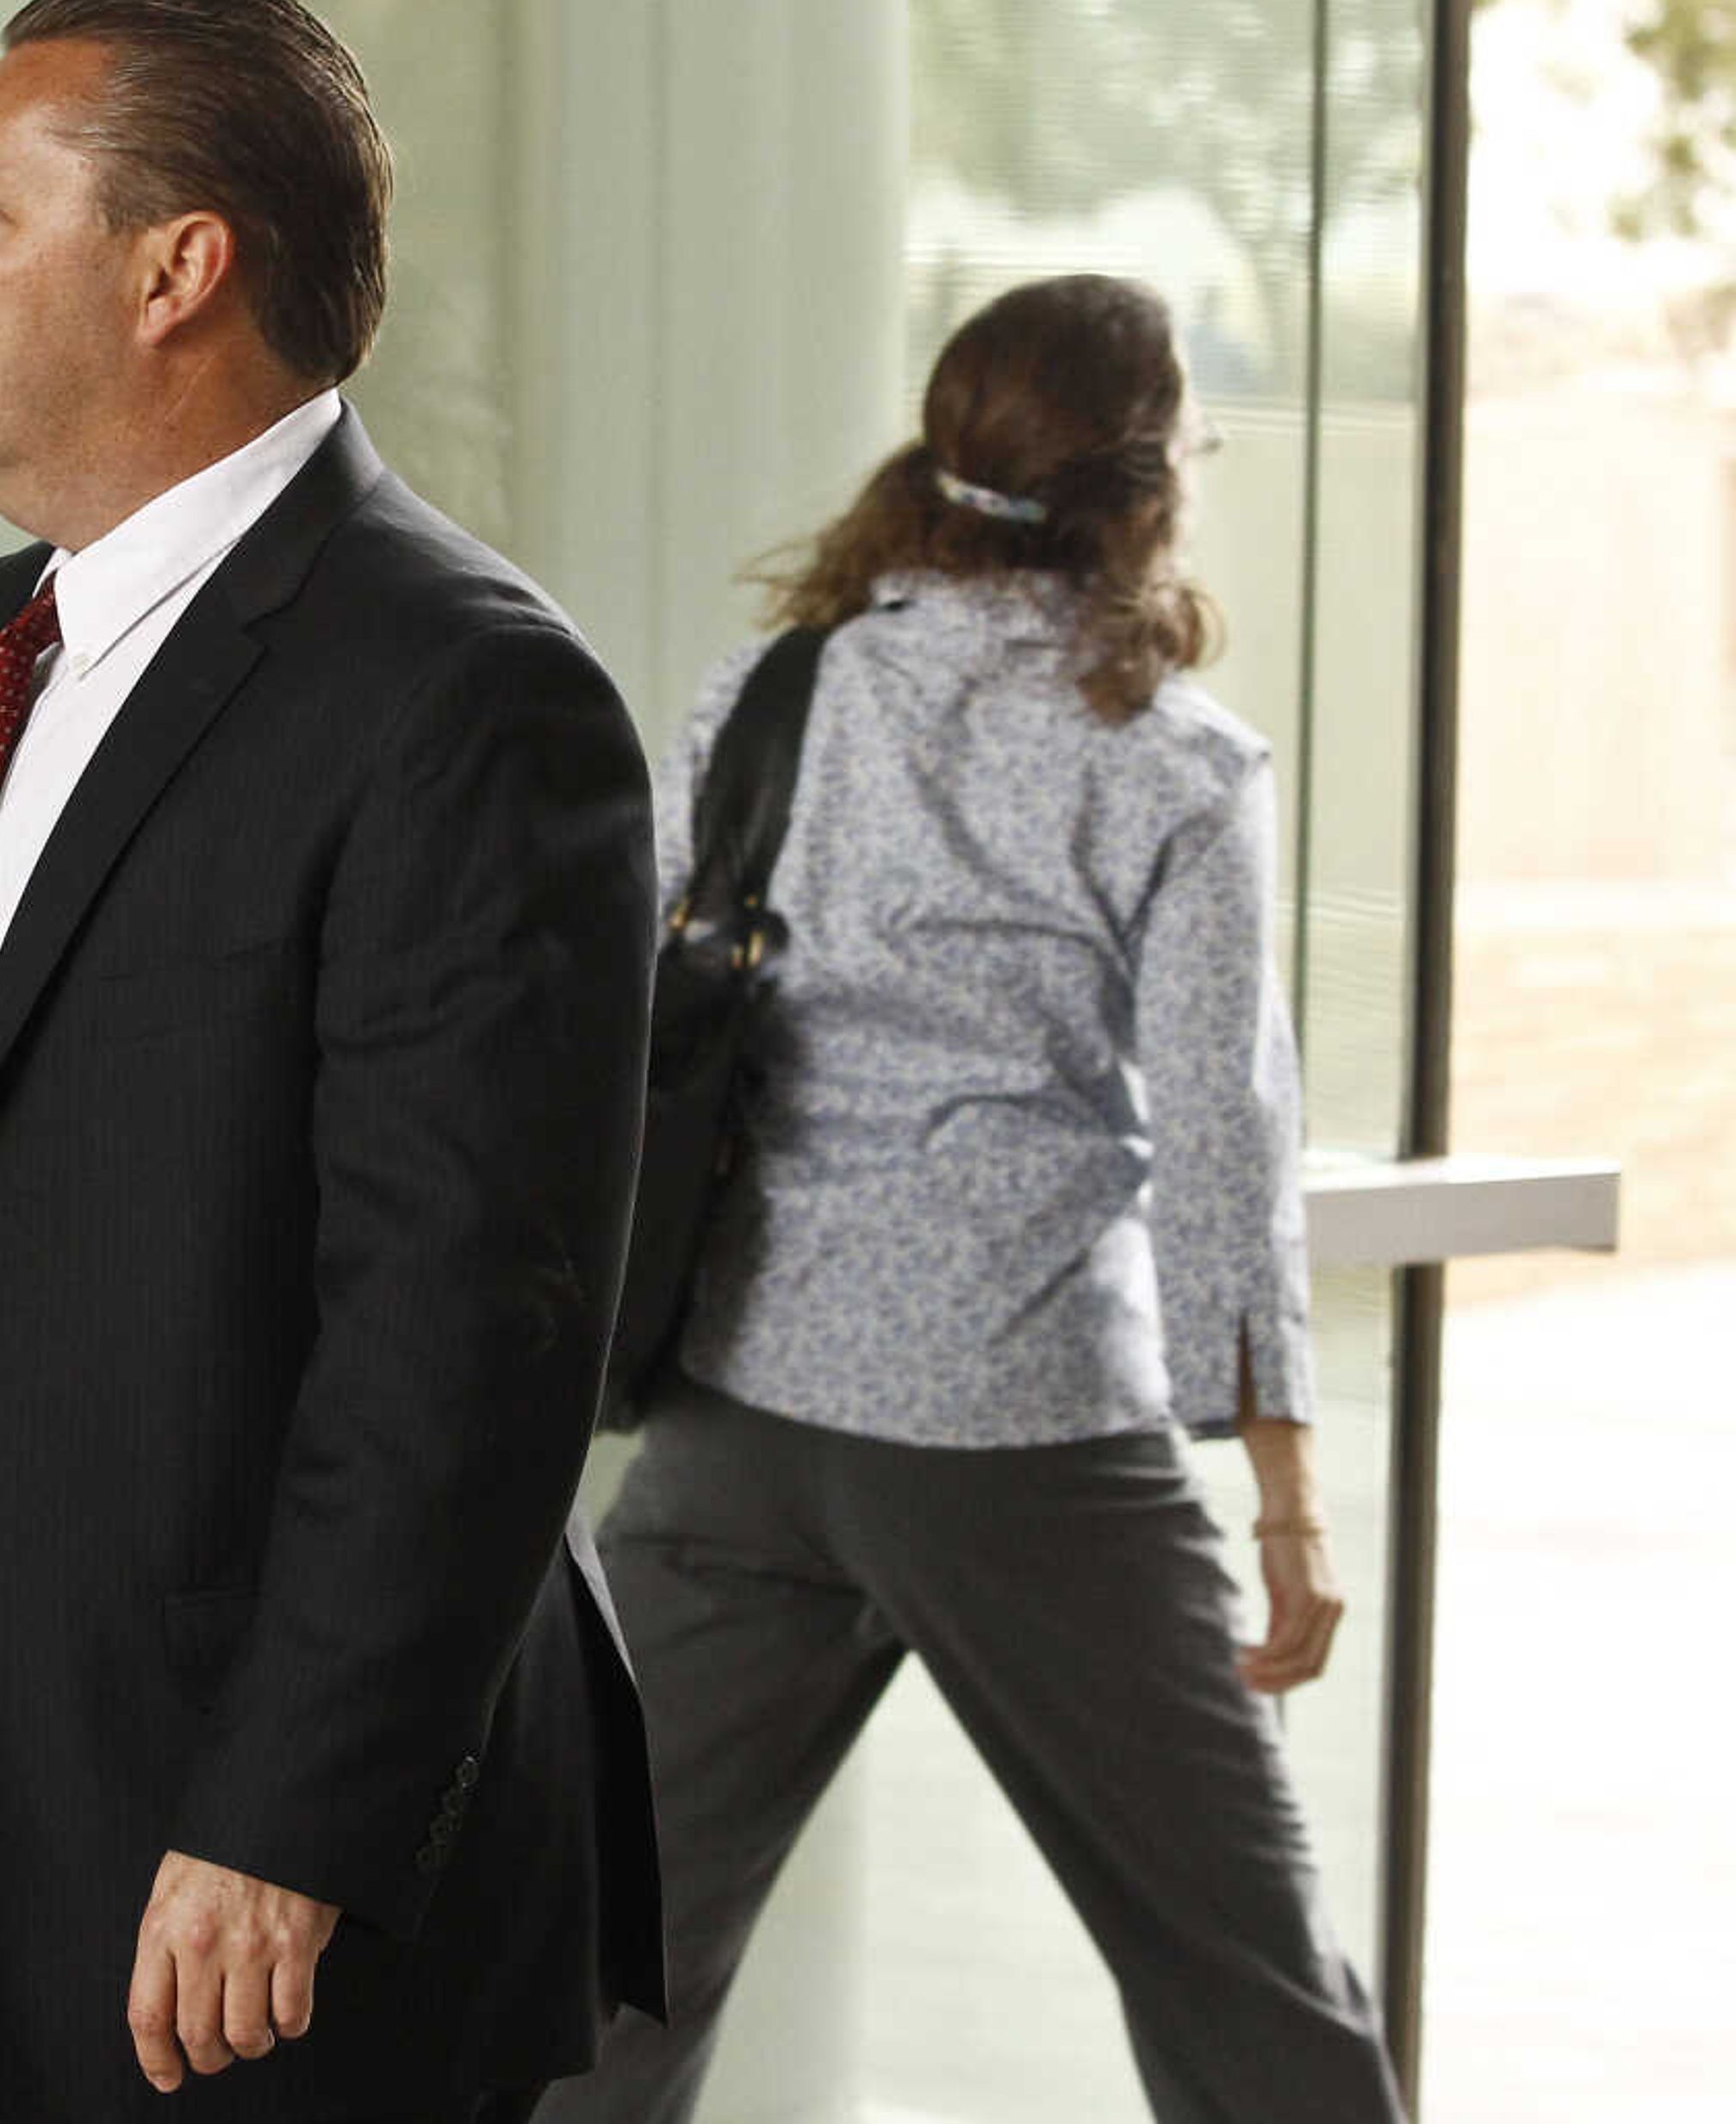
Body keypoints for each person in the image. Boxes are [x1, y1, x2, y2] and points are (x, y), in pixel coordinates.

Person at [0, 0, 663, 2124]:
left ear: (175, 270)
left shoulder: (465, 697)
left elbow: (465, 1333)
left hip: (210, 1871)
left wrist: (290, 1822)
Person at [540, 275, 1407, 2123]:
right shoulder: (1172, 763)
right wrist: (1286, 1494)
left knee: (607, 1980)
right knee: (1245, 1984)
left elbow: (649, 1015)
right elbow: (1227, 1137)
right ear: (1150, 481)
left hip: (741, 1412)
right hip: (1020, 1434)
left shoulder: (777, 691)